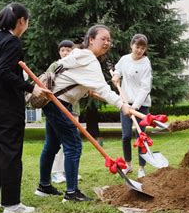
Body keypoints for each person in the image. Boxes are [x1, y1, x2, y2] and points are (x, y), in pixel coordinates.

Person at [35, 25, 131, 202]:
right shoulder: (89, 59)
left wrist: (119, 101)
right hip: (59, 103)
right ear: (91, 40)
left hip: (53, 100)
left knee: (52, 144)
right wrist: (122, 105)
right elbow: (102, 88)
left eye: (109, 40)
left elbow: (89, 87)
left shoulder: (80, 55)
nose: (107, 43)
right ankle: (71, 193)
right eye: (103, 38)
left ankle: (44, 186)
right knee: (73, 145)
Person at [0, 2, 51, 213]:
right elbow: (3, 72)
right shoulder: (12, 42)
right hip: (6, 106)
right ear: (21, 21)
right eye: (27, 22)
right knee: (10, 152)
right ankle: (11, 204)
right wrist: (31, 88)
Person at [40, 40, 81, 184]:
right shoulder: (56, 65)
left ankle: (67, 171)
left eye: (68, 50)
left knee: (64, 143)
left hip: (72, 108)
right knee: (67, 142)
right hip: (56, 106)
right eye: (62, 50)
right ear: (59, 52)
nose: (65, 53)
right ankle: (56, 172)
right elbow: (49, 84)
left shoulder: (74, 67)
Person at [112, 34, 152, 178]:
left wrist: (134, 107)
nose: (139, 50)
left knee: (141, 136)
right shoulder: (124, 59)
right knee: (126, 135)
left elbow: (145, 88)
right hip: (125, 103)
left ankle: (141, 167)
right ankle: (128, 165)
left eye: (142, 48)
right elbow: (118, 69)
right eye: (137, 47)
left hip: (141, 105)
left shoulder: (145, 64)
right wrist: (116, 75)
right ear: (131, 45)